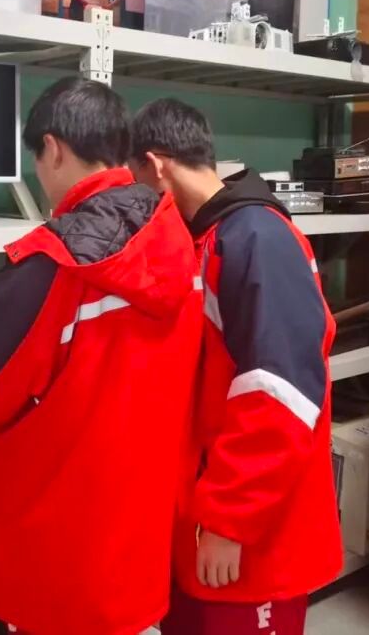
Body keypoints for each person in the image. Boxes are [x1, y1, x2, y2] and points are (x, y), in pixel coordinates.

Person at [0, 78, 202, 635]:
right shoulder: (178, 239)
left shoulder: (52, 261)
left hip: (57, 560)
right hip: (137, 552)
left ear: (53, 149)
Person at [129, 99, 342, 635]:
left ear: (156, 165)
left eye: (137, 182)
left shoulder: (255, 239)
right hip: (207, 516)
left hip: (250, 534)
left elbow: (281, 393)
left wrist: (229, 520)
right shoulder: (211, 236)